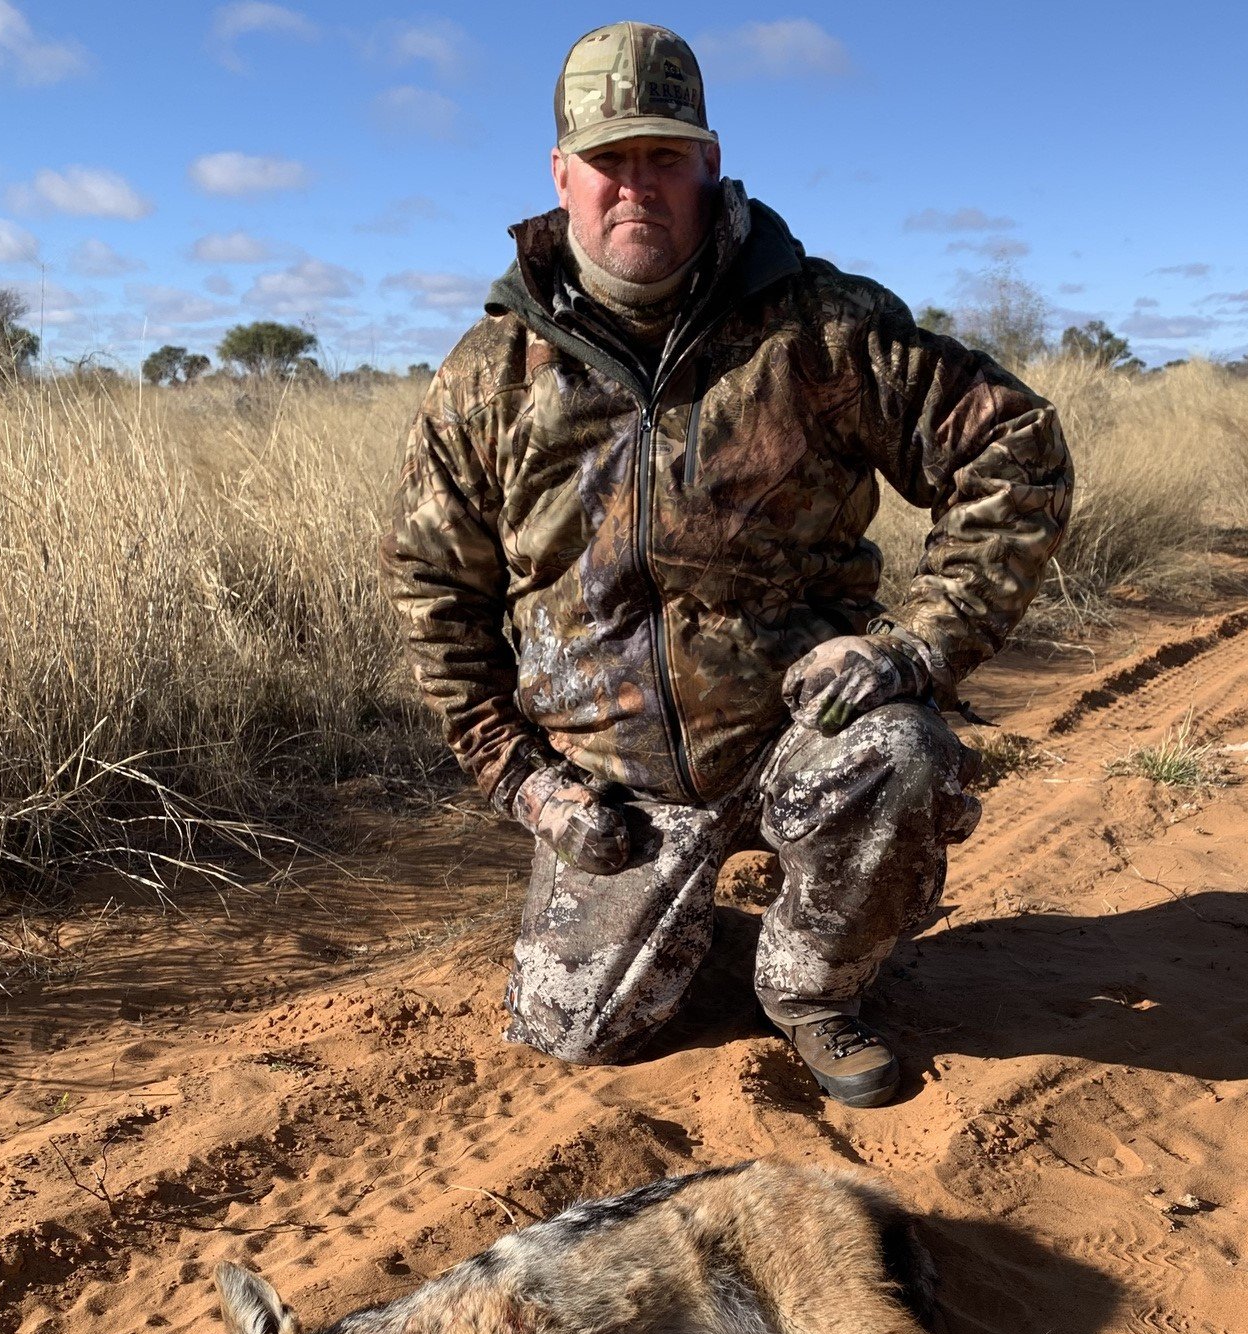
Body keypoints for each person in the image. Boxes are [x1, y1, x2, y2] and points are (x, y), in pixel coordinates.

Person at [381, 21, 1072, 1106]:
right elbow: (436, 595)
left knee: (901, 755)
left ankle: (812, 984)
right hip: (607, 782)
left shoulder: (821, 331)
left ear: (709, 161)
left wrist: (920, 644)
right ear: (561, 176)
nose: (636, 187)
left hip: (798, 735)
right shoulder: (489, 376)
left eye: (663, 157)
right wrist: (524, 783)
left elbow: (1013, 447)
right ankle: (692, 924)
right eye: (610, 161)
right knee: (577, 1037)